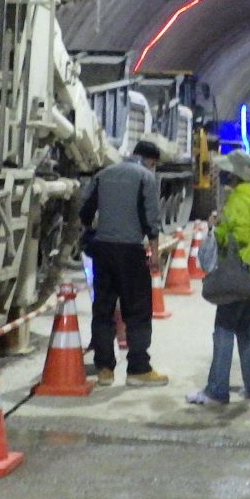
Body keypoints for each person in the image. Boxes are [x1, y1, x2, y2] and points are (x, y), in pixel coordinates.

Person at [79, 140, 169, 386]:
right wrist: (155, 255)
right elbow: (151, 219)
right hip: (130, 252)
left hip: (103, 250)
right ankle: (138, 370)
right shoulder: (145, 178)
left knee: (103, 309)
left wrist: (96, 231)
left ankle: (105, 370)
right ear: (150, 161)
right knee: (138, 311)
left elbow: (84, 211)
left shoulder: (103, 174)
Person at [187, 150, 250, 405]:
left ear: (235, 174)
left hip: (236, 274)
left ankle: (216, 390)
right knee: (246, 329)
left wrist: (217, 225)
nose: (223, 174)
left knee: (223, 329)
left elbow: (238, 235)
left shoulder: (239, 200)